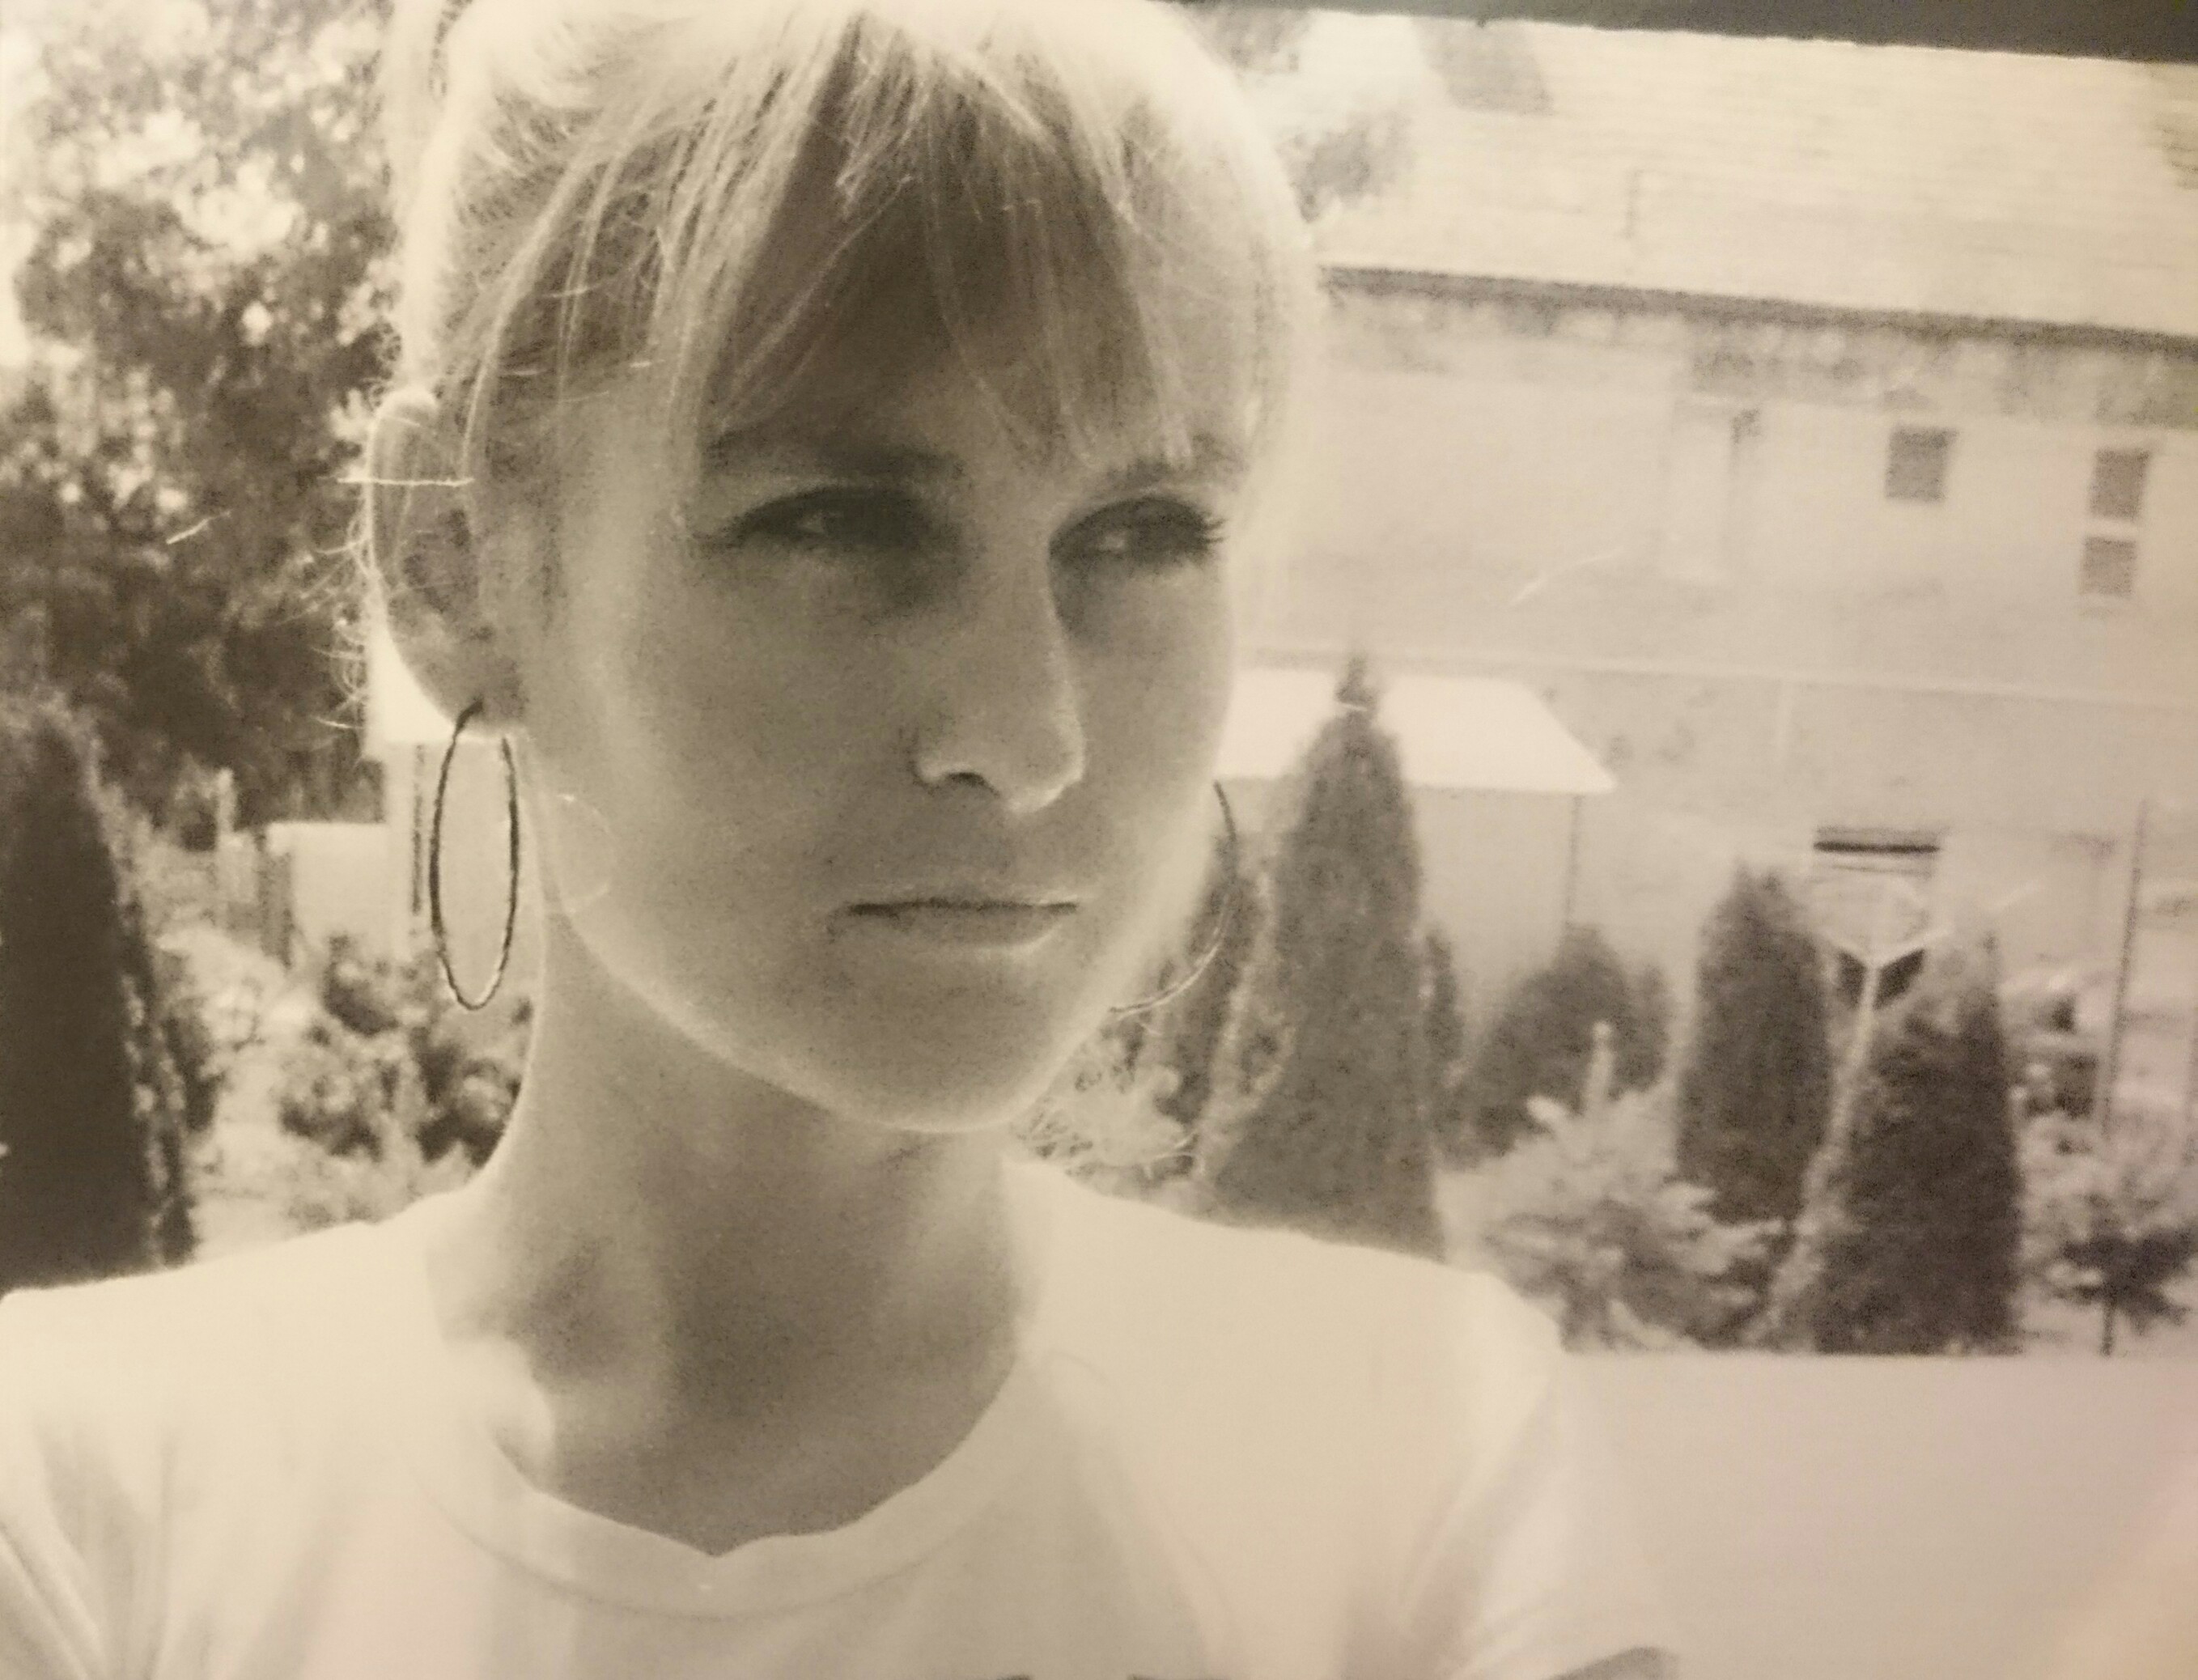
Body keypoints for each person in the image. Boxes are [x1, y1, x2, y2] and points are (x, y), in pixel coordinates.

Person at [0, 1, 1677, 1675]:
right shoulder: (86, 1504)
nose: (1027, 738)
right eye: (836, 520)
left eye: (1145, 531)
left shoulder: (1416, 1476)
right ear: (450, 567)